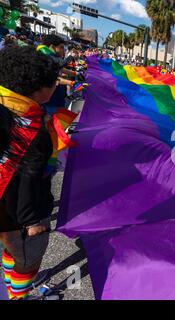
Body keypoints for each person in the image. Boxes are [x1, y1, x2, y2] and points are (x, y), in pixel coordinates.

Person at [0, 46, 61, 300]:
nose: (56, 87)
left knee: (10, 251)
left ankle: (12, 285)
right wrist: (31, 221)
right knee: (28, 259)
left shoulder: (8, 108)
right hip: (17, 211)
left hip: (5, 212)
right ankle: (19, 295)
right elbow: (28, 179)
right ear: (37, 89)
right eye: (52, 83)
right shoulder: (33, 131)